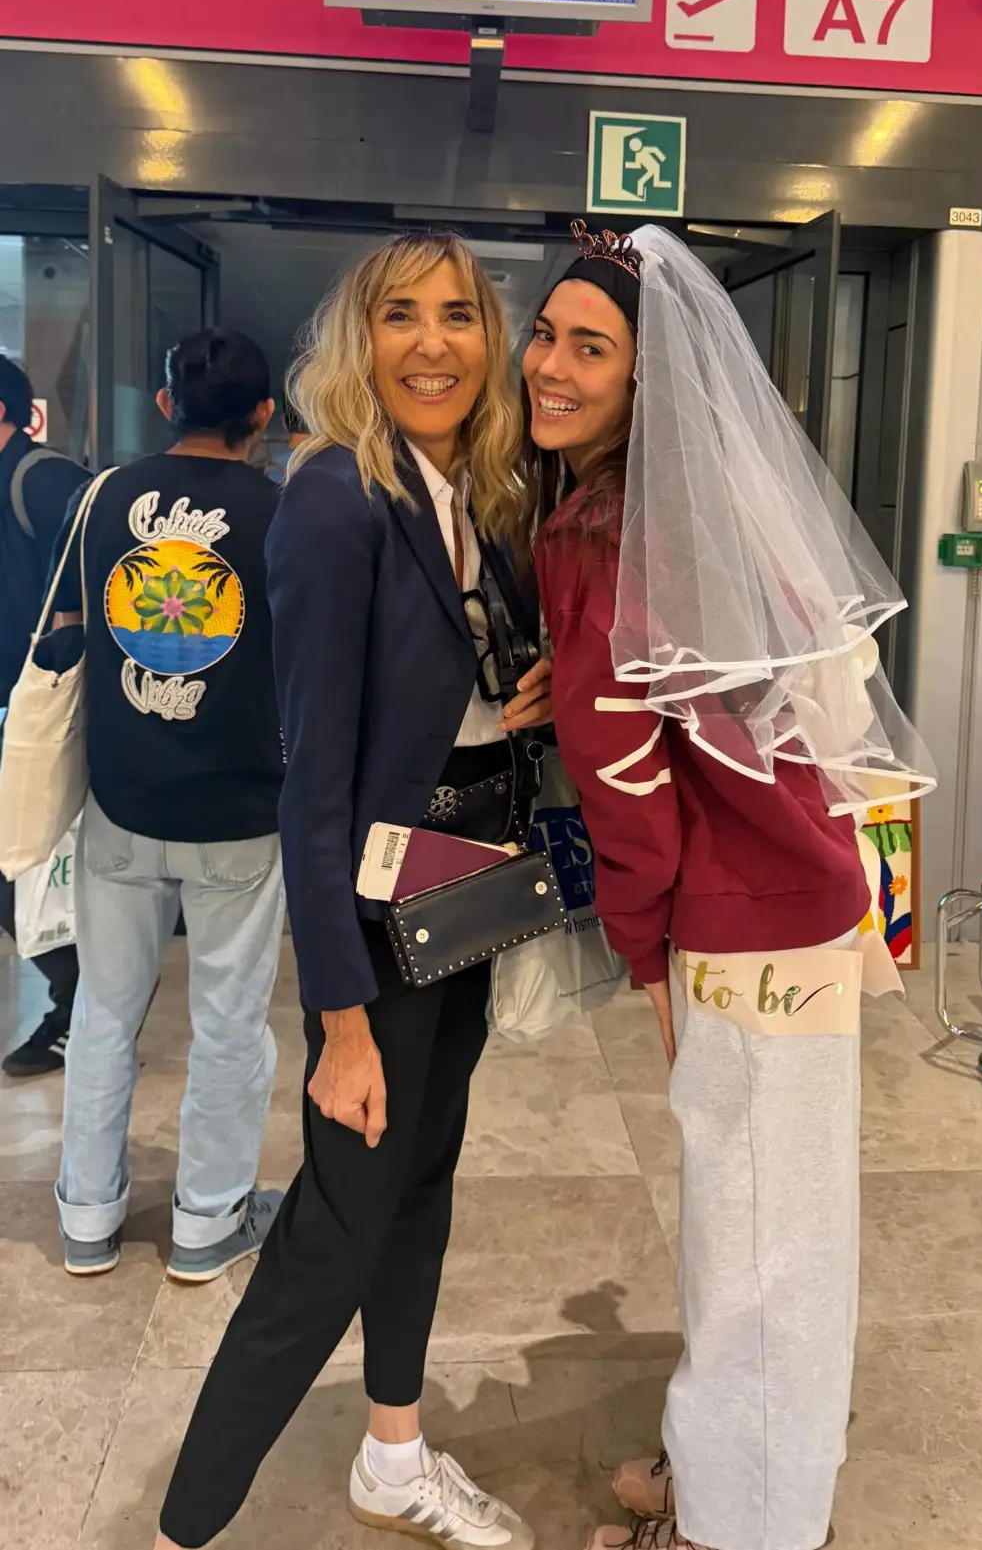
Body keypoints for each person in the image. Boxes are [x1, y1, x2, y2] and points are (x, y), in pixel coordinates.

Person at [521, 223, 935, 1550]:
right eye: (546, 335)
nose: (550, 365)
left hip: (742, 926)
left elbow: (628, 789)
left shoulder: (599, 536)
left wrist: (643, 952)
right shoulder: (709, 518)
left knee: (756, 1238)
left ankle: (736, 1525)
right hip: (801, 902)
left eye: (591, 348)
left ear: (646, 379)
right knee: (778, 1220)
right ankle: (726, 1473)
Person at [154, 232, 553, 1550]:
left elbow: (456, 683)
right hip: (382, 929)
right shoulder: (336, 494)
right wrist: (337, 1019)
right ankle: (183, 1522)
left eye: (460, 315)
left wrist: (529, 689)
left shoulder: (472, 490)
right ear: (357, 340)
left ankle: (393, 1453)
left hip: (464, 896)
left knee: (419, 1189)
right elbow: (312, 778)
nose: (433, 342)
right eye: (401, 315)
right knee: (330, 1231)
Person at [50, 329, 287, 1282]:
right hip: (240, 811)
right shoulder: (282, 513)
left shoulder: (101, 497)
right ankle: (207, 1221)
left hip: (120, 797)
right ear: (264, 415)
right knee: (230, 1021)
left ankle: (87, 1216)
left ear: (164, 405)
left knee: (104, 1011)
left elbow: (69, 626)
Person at [0, 354, 88, 1078]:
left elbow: (96, 568)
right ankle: (80, 997)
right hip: (14, 711)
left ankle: (80, 1002)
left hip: (39, 714)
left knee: (23, 864)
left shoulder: (40, 478)